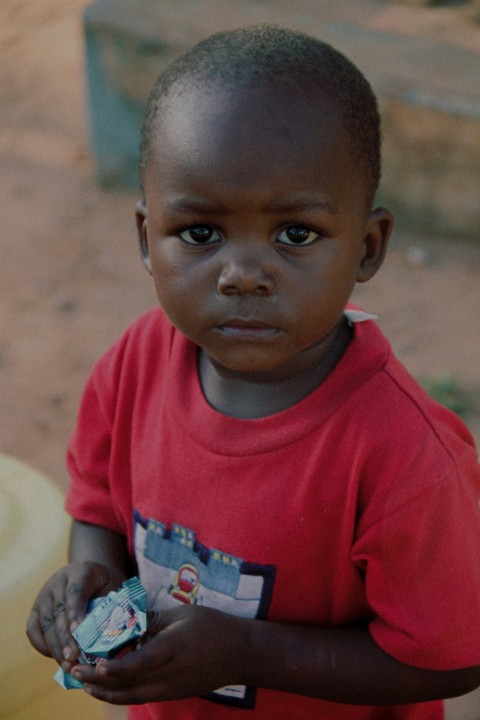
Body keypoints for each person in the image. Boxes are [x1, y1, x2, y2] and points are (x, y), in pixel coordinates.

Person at [26, 24, 480, 720]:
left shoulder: (405, 458)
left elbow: (451, 656)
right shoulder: (135, 364)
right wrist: (91, 577)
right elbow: (98, 509)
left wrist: (249, 653)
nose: (242, 275)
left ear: (367, 246)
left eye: (296, 234)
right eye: (200, 233)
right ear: (146, 239)